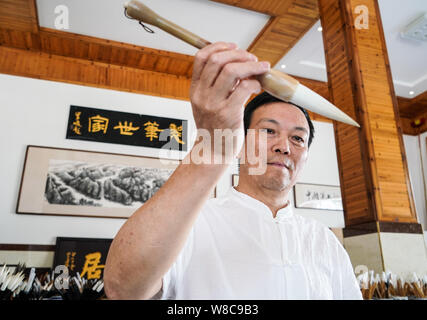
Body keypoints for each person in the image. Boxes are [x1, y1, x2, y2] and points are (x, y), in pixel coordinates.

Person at [104, 42, 362, 300]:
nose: (284, 147)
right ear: (239, 144)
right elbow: (122, 290)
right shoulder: (191, 224)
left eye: (298, 138)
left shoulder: (323, 241)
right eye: (269, 131)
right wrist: (212, 149)